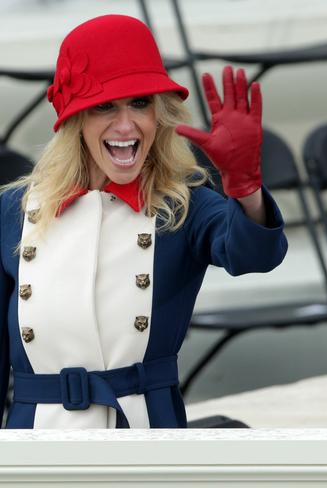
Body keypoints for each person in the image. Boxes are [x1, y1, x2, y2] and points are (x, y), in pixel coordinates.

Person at [0, 14, 288, 428]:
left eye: (140, 103)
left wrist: (244, 187)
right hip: (34, 445)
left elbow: (256, 255)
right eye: (103, 107)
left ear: (160, 115)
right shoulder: (13, 210)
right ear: (75, 120)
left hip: (147, 439)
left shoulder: (183, 207)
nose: (125, 124)